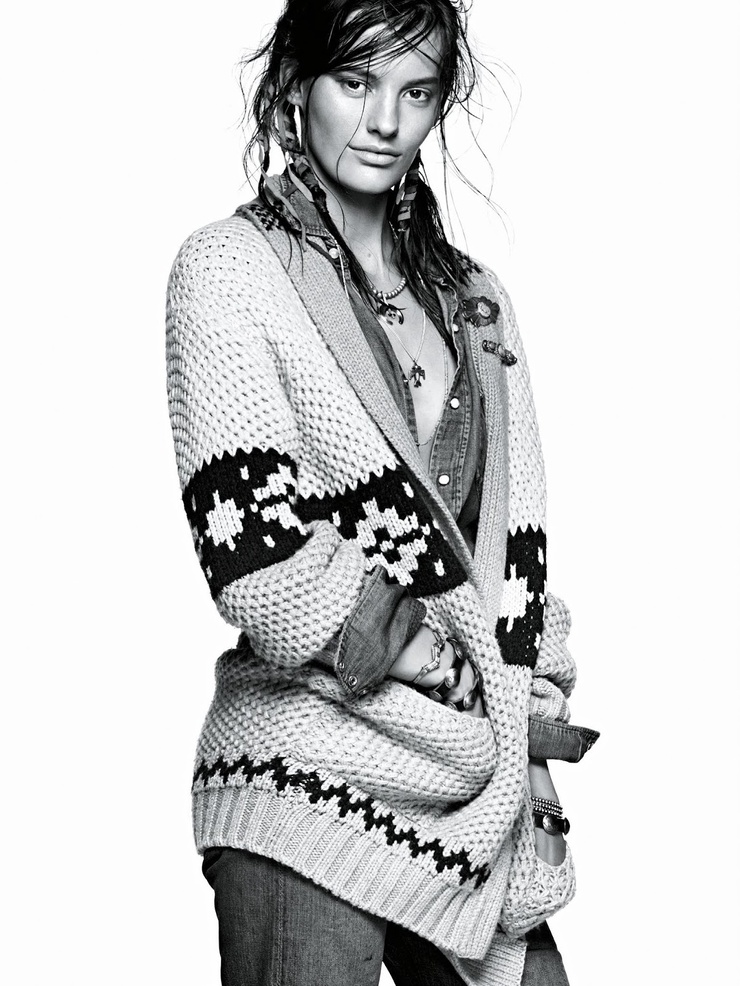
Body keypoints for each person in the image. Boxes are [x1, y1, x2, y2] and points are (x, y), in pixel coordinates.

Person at [165, 1, 599, 983]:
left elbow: (517, 561)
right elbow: (257, 550)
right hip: (306, 772)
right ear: (295, 86)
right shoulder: (230, 268)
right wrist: (426, 654)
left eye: (416, 90)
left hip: (470, 789)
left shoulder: (478, 303)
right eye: (355, 82)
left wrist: (529, 746)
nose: (385, 121)